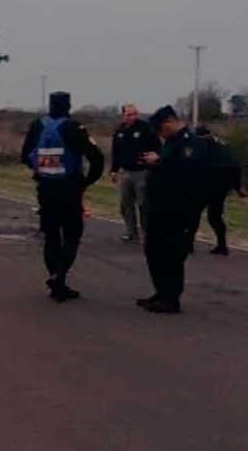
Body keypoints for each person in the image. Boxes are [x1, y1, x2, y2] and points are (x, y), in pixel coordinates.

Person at [21, 91, 105, 302]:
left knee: (51, 236)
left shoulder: (37, 125)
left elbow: (25, 155)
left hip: (45, 187)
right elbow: (97, 158)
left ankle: (56, 279)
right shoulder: (74, 128)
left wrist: (41, 168)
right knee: (72, 233)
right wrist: (86, 182)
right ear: (68, 106)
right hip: (69, 188)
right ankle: (60, 274)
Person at [137, 106, 208, 313]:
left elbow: (185, 172)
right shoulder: (170, 143)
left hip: (177, 209)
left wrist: (159, 161)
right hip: (159, 207)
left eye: (161, 129)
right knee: (154, 250)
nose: (160, 134)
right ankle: (161, 292)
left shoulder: (190, 143)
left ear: (170, 122)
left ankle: (171, 298)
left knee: (172, 253)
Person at [109, 104, 160, 242]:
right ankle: (131, 231)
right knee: (125, 204)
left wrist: (154, 162)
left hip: (142, 171)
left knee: (143, 204)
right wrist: (114, 170)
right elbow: (116, 152)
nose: (132, 117)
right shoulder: (119, 131)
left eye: (134, 114)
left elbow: (157, 148)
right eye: (129, 114)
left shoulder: (146, 128)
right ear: (123, 115)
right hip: (125, 172)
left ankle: (147, 232)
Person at [191, 125, 245, 255]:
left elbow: (193, 166)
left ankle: (188, 244)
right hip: (221, 188)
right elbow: (235, 166)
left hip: (204, 186)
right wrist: (237, 188)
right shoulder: (223, 147)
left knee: (193, 214)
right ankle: (222, 245)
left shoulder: (199, 147)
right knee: (215, 216)